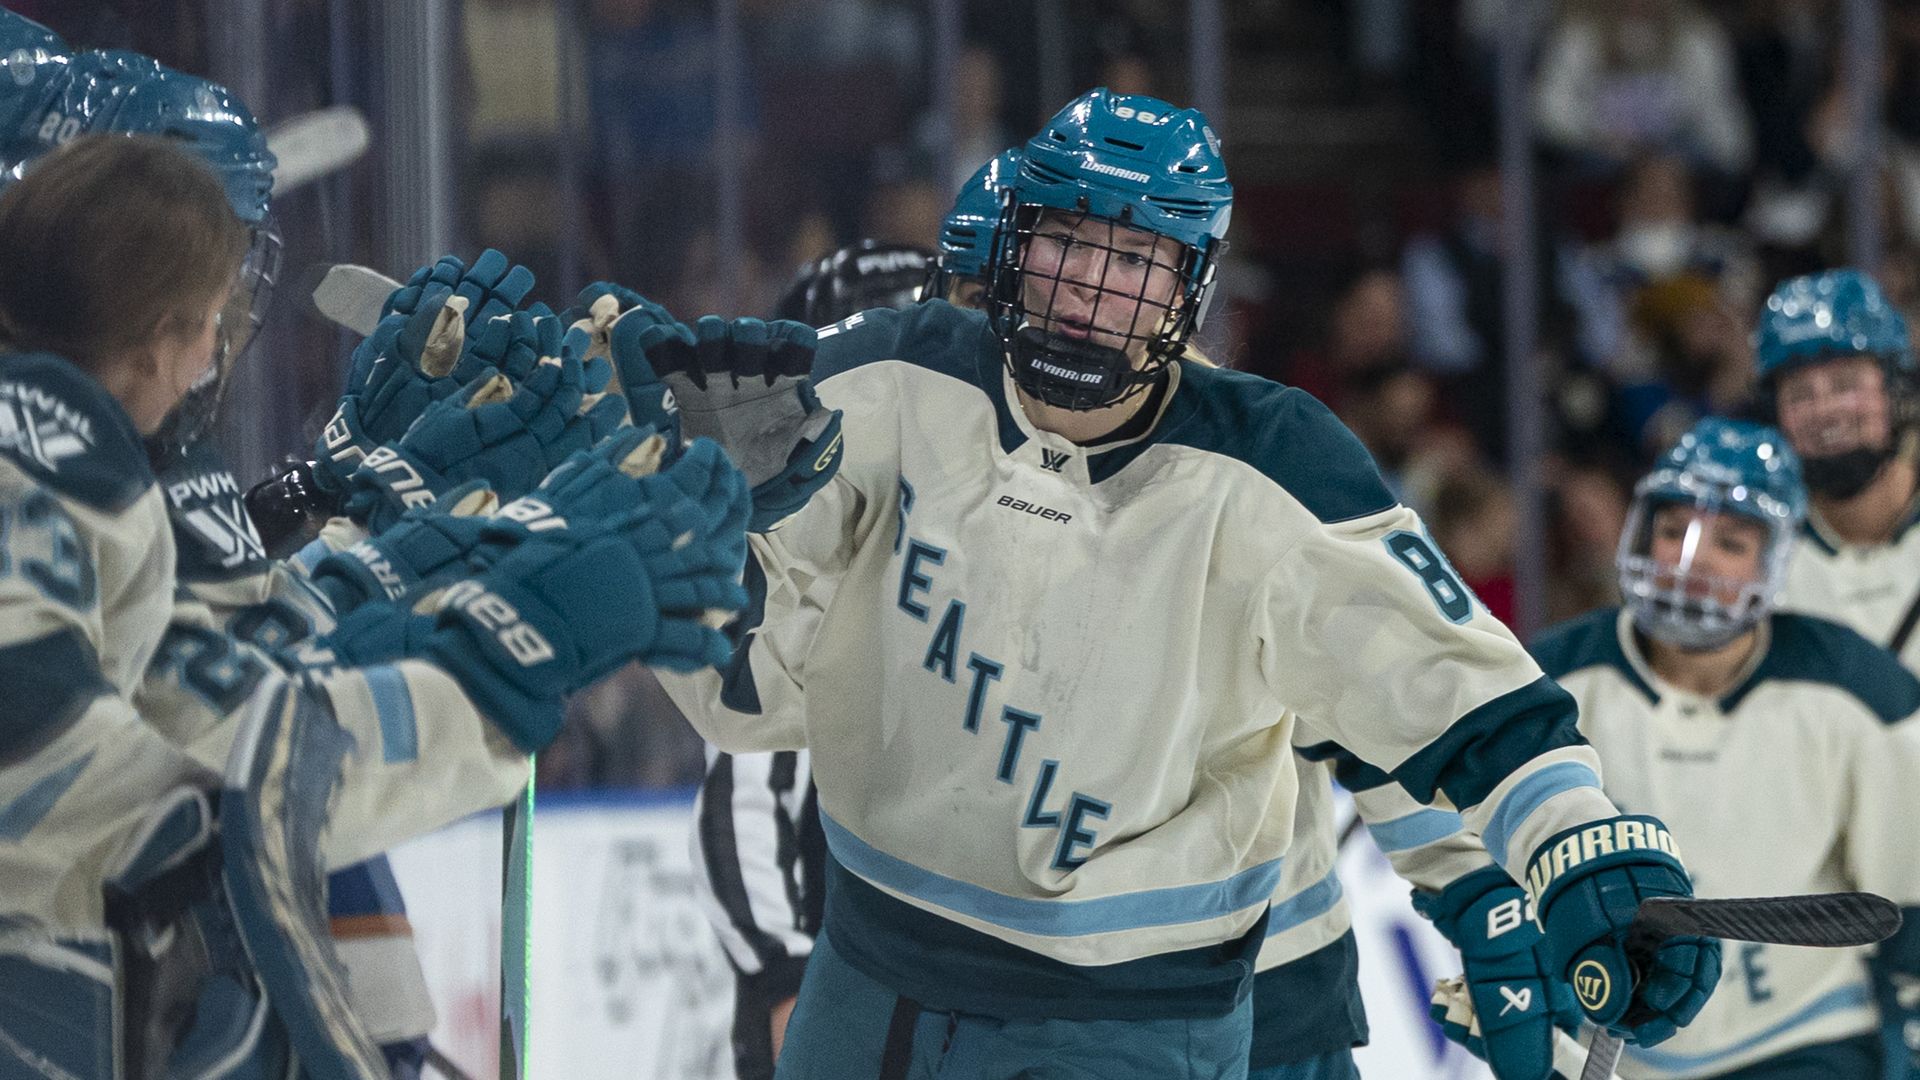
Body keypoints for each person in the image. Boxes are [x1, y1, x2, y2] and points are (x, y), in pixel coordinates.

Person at [640, 88, 1719, 1079]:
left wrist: (1540, 853)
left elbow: (1426, 689)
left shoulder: (1267, 471)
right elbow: (754, 691)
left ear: (1190, 288)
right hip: (875, 972)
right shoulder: (895, 386)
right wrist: (677, 512)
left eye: (1133, 263)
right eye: (1061, 246)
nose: (1084, 296)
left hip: (1176, 996)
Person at [0, 133, 750, 1079]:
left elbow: (203, 672)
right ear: (157, 330)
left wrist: (423, 551)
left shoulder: (75, 450)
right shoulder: (46, 456)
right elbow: (141, 790)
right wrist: (500, 654)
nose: (219, 345)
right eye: (210, 310)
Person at [1529, 417, 1920, 1078]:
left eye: (1730, 542)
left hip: (1802, 1035)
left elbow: (1905, 895)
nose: (1693, 564)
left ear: (1776, 558)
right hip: (1607, 1036)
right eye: (1674, 531)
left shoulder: (1863, 694)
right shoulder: (1550, 684)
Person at [1752, 270, 1920, 673]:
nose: (1824, 411)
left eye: (1845, 385)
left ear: (1897, 391)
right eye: (1799, 394)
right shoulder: (1755, 557)